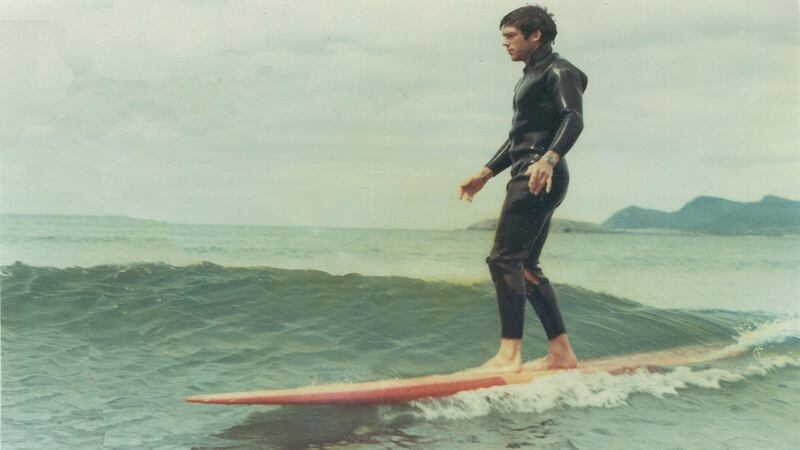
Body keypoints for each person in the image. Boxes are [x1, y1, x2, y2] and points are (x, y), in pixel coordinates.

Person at [458, 5, 587, 373]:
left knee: (503, 260)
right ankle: (562, 353)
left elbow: (573, 117)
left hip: (537, 174)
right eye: (503, 37)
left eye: (511, 36)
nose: (505, 44)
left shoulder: (560, 71)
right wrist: (485, 173)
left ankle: (508, 356)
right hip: (530, 171)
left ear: (536, 36)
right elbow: (518, 136)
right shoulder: (530, 75)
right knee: (525, 264)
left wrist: (548, 159)